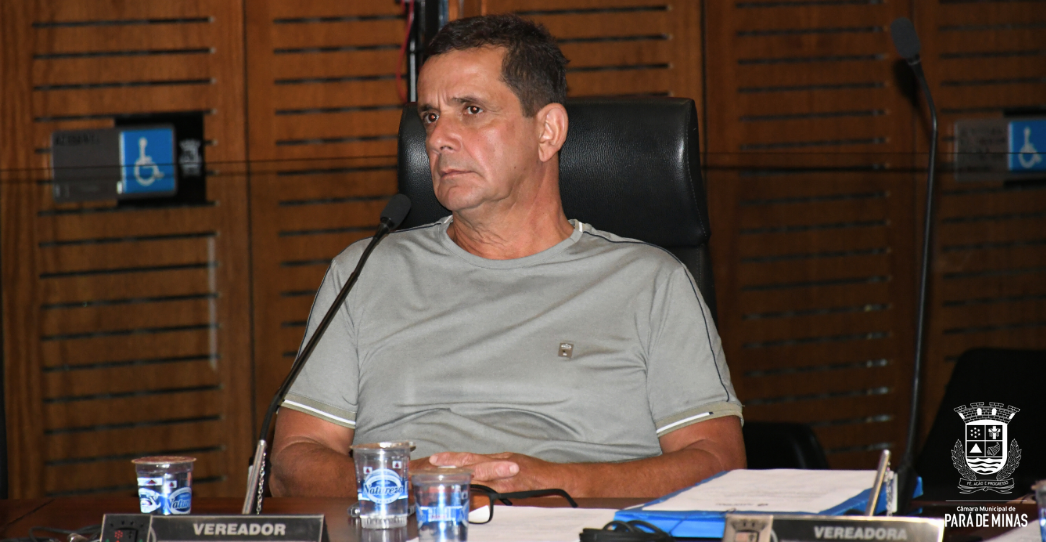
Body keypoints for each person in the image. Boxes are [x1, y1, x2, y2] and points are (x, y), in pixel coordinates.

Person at [269, 14, 745, 499]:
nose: (437, 138)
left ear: (547, 131)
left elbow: (718, 463)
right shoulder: (365, 271)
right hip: (412, 528)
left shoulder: (650, 282)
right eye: (430, 116)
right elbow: (292, 461)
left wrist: (551, 484)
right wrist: (407, 486)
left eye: (471, 110)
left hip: (575, 531)